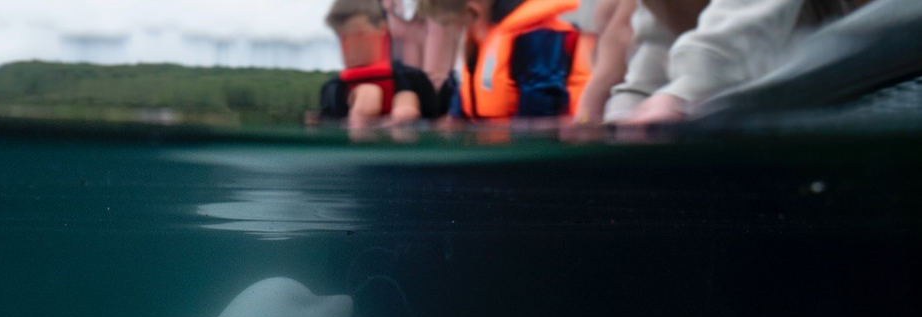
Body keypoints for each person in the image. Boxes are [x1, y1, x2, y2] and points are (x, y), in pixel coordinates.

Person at [607, 0, 868, 123]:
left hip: (867, 83)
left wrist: (690, 85)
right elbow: (660, 36)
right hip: (753, 81)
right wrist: (633, 100)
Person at [422, 0, 594, 120]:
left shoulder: (538, 34)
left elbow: (541, 113)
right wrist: (455, 119)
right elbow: (463, 94)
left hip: (540, 155)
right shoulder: (481, 33)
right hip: (489, 147)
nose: (452, 30)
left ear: (473, 10)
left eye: (449, 23)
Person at [319, 0, 442, 126]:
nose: (346, 46)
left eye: (358, 35)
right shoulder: (334, 89)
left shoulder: (414, 80)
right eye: (341, 37)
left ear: (382, 28)